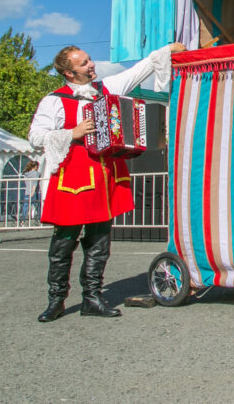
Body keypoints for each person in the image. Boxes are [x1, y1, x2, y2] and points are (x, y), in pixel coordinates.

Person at [29, 42, 184, 322]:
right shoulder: (54, 100)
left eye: (89, 60)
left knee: (99, 241)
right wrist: (73, 132)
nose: (91, 65)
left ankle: (92, 297)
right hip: (71, 180)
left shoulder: (107, 88)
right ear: (69, 73)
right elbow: (35, 137)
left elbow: (140, 70)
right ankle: (56, 300)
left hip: (104, 178)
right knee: (64, 243)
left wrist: (167, 50)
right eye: (84, 63)